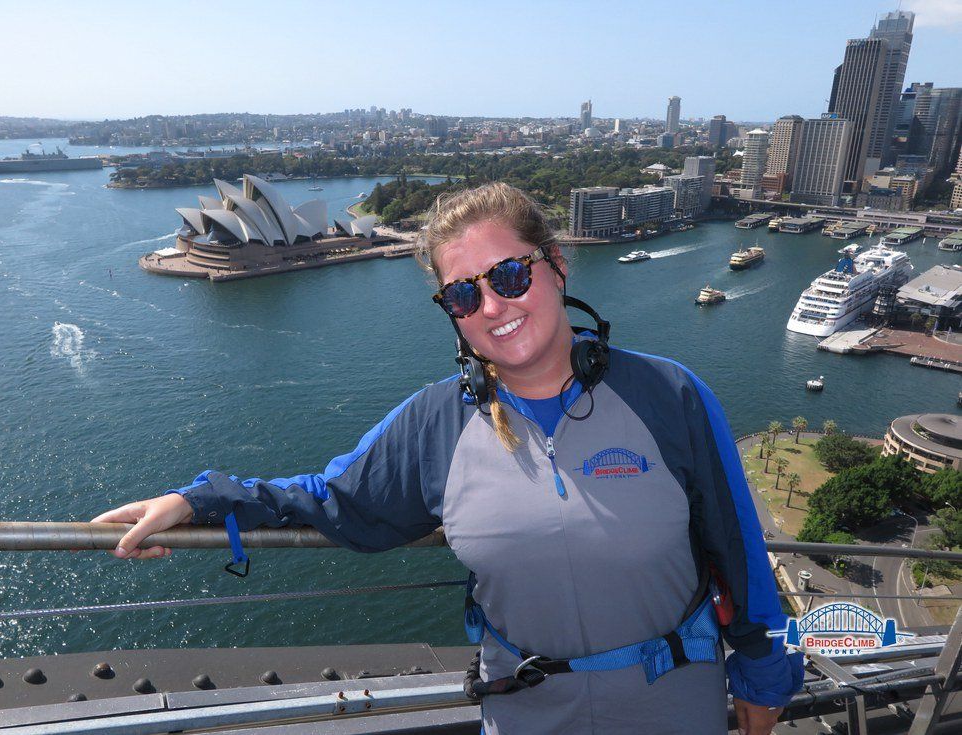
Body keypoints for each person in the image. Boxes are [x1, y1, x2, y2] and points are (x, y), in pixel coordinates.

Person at [91, 182, 803, 734]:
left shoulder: (669, 394)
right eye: (464, 293)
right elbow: (337, 497)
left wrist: (764, 681)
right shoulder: (439, 422)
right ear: (451, 312)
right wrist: (203, 499)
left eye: (510, 276)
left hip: (673, 707)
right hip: (527, 713)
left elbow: (737, 546)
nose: (493, 306)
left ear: (555, 267)